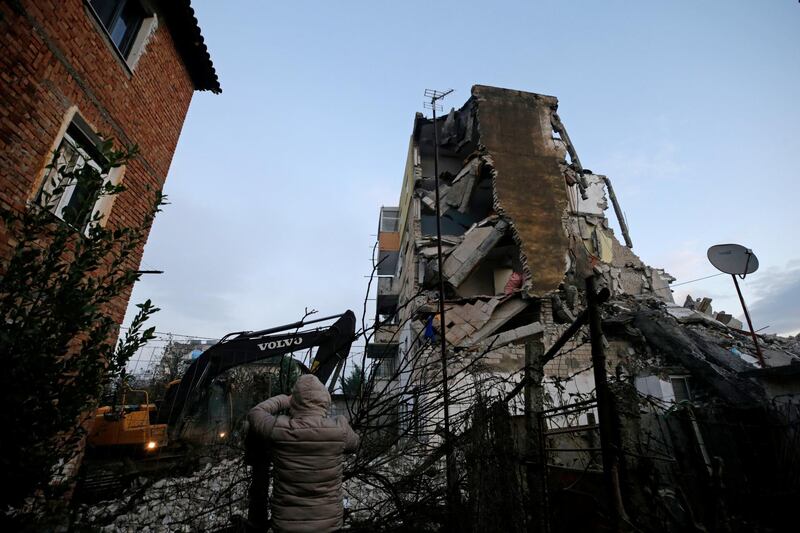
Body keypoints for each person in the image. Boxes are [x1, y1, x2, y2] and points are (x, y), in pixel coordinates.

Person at [247, 374, 359, 532]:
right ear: (325, 400)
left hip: (287, 523)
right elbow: (355, 444)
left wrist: (285, 399)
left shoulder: (279, 428)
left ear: (295, 402)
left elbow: (255, 412)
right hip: (328, 524)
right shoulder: (339, 429)